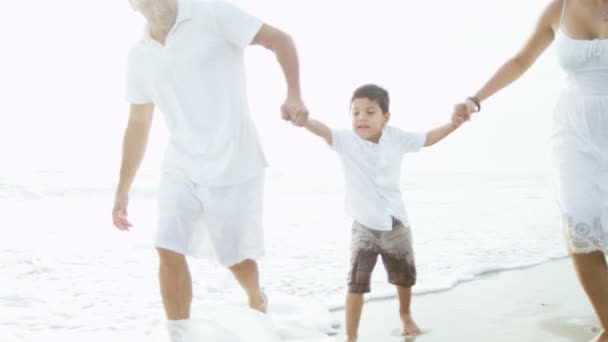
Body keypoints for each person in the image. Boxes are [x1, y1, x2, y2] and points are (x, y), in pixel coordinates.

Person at [111, 0, 308, 340]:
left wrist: (294, 94)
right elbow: (139, 122)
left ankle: (256, 298)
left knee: (235, 258)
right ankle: (179, 334)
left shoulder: (212, 13)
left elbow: (280, 39)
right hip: (181, 163)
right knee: (167, 246)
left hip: (235, 160)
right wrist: (122, 187)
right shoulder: (139, 55)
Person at [452, 0, 608, 340]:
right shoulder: (560, 9)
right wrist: (474, 100)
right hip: (574, 134)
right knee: (580, 223)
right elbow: (521, 60)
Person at [300, 84, 463, 341]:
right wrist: (305, 120)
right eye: (355, 112)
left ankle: (405, 314)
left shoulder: (396, 137)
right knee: (356, 282)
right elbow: (323, 130)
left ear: (385, 117)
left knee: (404, 276)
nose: (361, 118)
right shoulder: (346, 141)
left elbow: (427, 138)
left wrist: (453, 124)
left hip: (396, 221)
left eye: (369, 112)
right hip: (364, 225)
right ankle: (351, 337)